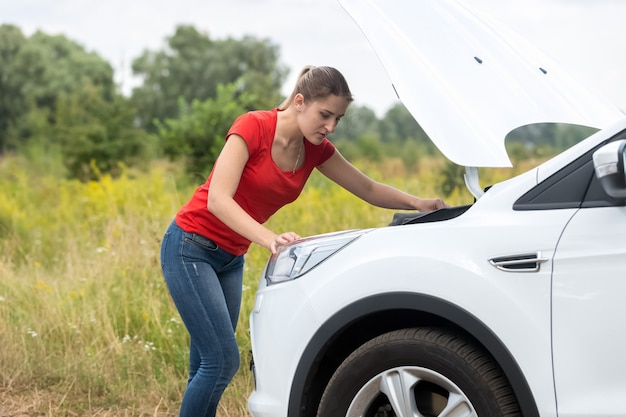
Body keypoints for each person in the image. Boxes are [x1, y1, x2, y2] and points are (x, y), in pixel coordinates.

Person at [159, 65, 448, 416]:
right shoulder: (253, 126)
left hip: (230, 259)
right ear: (299, 102)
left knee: (206, 365)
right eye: (324, 115)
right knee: (221, 362)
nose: (330, 127)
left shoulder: (315, 149)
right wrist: (269, 238)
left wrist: (418, 203)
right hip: (190, 248)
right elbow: (218, 199)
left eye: (338, 119)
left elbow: (368, 188)